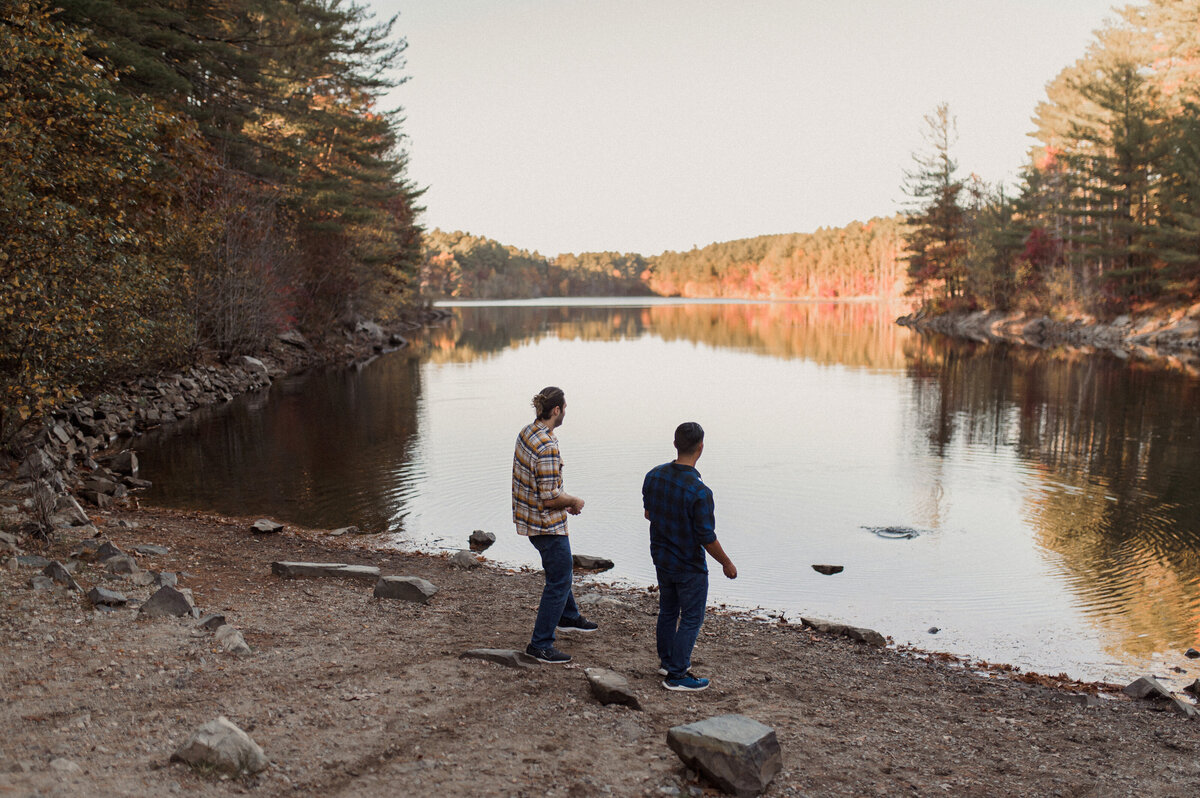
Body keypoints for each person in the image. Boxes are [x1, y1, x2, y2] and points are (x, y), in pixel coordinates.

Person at [642, 421, 737, 691]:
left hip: (661, 556)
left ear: (675, 444)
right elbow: (706, 537)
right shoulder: (700, 492)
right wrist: (727, 563)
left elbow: (648, 513)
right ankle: (677, 674)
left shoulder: (654, 476)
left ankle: (667, 660)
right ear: (701, 448)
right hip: (688, 564)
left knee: (669, 610)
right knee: (692, 617)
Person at [512, 386, 597, 664]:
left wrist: (562, 501)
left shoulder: (527, 432)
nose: (565, 413)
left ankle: (568, 616)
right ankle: (540, 644)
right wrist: (573, 500)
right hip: (545, 524)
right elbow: (549, 499)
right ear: (557, 410)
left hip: (528, 518)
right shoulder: (547, 446)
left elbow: (541, 488)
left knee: (560, 572)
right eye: (565, 408)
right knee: (559, 579)